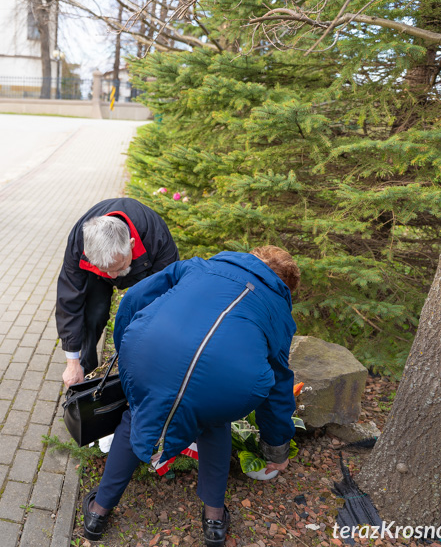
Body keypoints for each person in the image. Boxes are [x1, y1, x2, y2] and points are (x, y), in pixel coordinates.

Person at [81, 246, 301, 546]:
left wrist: (129, 350)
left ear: (252, 257)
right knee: (213, 421)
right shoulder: (278, 311)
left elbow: (133, 299)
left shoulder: (197, 267)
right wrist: (276, 447)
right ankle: (213, 521)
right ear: (285, 285)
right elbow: (278, 386)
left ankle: (97, 513)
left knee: (139, 413)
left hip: (151, 352)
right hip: (224, 385)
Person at [57, 198, 179, 385]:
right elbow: (69, 299)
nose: (113, 276)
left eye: (117, 267)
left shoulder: (156, 238)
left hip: (143, 271)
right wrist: (71, 362)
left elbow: (164, 297)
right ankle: (85, 369)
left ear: (130, 244)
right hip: (97, 275)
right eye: (107, 270)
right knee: (94, 314)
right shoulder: (78, 243)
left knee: (142, 313)